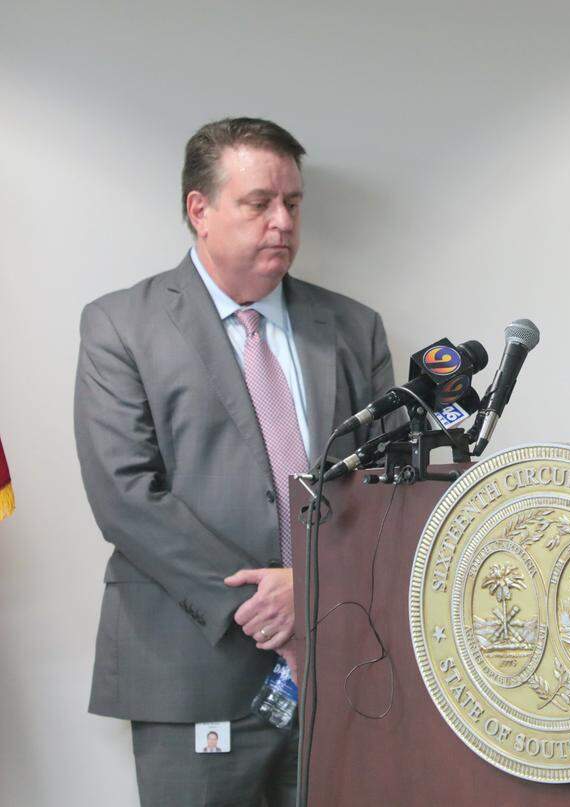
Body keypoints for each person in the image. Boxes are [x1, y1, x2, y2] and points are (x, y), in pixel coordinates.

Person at [75, 117, 397, 805]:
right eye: (259, 203)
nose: (283, 222)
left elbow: (389, 486)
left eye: (293, 202)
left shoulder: (354, 328)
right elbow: (125, 496)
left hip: (342, 665)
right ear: (201, 209)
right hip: (190, 670)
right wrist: (265, 601)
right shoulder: (120, 326)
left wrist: (311, 587)